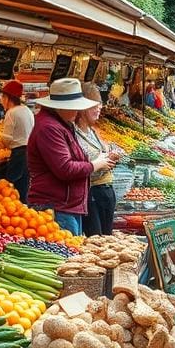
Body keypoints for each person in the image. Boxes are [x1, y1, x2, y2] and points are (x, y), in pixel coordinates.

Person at [27, 78, 113, 236]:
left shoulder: (61, 124)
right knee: (67, 255)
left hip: (67, 206)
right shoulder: (49, 128)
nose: (77, 112)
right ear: (59, 107)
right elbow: (65, 168)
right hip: (58, 206)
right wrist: (95, 164)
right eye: (74, 108)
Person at [75, 82, 120, 236]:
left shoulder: (92, 131)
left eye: (99, 103)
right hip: (92, 194)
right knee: (97, 239)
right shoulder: (74, 134)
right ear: (82, 109)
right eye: (94, 104)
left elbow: (101, 154)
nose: (99, 107)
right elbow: (79, 168)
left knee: (106, 236)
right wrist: (103, 163)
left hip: (105, 191)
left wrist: (110, 157)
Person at [0, 80, 35, 202]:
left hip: (19, 154)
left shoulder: (11, 113)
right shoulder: (26, 110)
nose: (1, 100)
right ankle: (23, 211)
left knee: (11, 188)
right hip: (30, 152)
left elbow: (6, 138)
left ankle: (15, 212)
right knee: (23, 188)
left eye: (2, 96)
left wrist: (1, 143)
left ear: (8, 98)